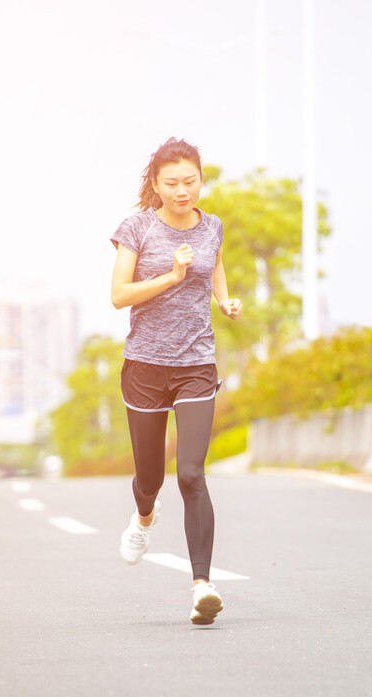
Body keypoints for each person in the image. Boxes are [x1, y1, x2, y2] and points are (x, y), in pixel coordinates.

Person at [109, 137, 243, 625]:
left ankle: (202, 585)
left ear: (201, 181)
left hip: (196, 365)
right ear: (156, 185)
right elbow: (119, 295)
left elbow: (215, 267)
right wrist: (171, 275)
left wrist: (223, 301)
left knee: (190, 473)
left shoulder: (213, 227)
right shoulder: (137, 228)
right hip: (145, 366)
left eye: (190, 181)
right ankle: (144, 517)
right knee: (150, 479)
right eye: (172, 183)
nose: (182, 191)